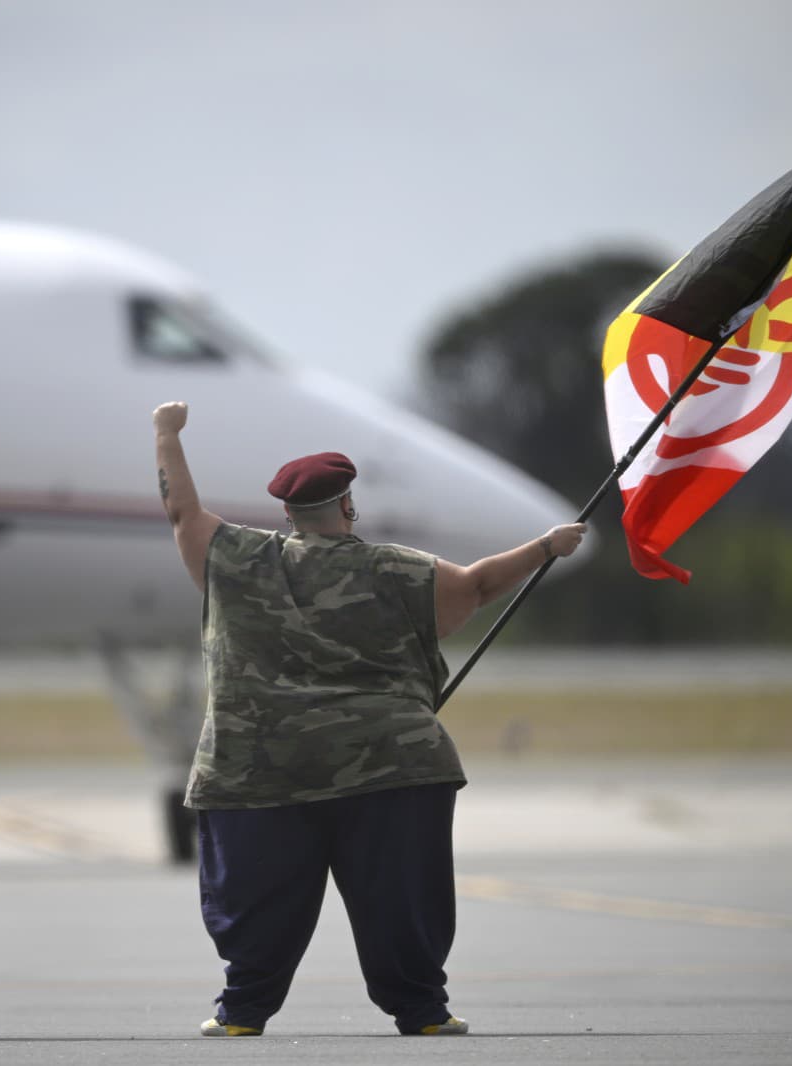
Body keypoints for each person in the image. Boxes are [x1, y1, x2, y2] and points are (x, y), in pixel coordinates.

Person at [150, 400, 585, 1038]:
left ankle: (242, 1011)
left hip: (259, 774)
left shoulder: (233, 559)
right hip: (393, 767)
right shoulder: (398, 569)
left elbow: (181, 510)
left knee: (256, 902)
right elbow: (478, 585)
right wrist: (547, 546)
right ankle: (423, 1012)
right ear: (348, 507)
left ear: (287, 515)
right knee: (401, 899)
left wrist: (167, 435)